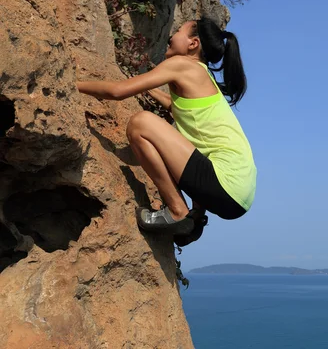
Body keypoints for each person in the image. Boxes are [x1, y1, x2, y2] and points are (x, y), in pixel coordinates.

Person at [77, 17, 257, 246]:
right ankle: (194, 219)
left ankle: (178, 212)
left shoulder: (183, 65)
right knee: (193, 142)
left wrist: (71, 84)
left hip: (224, 183)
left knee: (140, 123)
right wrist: (151, 92)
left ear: (193, 44)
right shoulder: (203, 74)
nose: (171, 36)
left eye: (178, 31)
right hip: (238, 195)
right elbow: (181, 110)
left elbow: (117, 91)